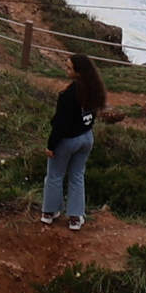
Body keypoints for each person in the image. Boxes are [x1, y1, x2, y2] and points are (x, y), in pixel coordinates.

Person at [44, 56, 107, 228]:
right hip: (86, 138)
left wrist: (51, 145)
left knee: (55, 175)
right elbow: (91, 115)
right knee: (77, 176)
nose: (67, 70)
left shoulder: (67, 95)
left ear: (79, 72)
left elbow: (60, 125)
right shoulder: (95, 90)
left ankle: (49, 212)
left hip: (68, 140)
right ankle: (75, 218)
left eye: (70, 68)